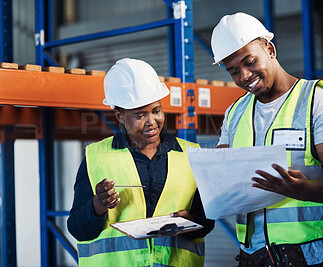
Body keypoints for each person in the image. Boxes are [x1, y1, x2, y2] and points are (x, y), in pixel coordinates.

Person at [211, 12, 323, 267]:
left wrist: (305, 190)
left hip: (310, 255)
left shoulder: (318, 103)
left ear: (270, 49)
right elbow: (227, 180)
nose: (244, 76)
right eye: (233, 71)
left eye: (250, 61)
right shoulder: (235, 113)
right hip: (252, 256)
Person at [67, 58, 214, 266]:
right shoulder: (96, 157)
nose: (151, 122)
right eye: (139, 115)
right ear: (119, 115)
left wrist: (190, 220)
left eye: (156, 111)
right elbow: (77, 229)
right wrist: (98, 205)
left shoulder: (191, 154)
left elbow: (207, 221)